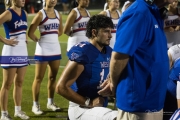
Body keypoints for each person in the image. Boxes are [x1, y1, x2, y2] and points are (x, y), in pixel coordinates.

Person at [98, 0, 173, 119]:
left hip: (154, 100)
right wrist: (113, 83)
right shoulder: (138, 13)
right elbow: (119, 56)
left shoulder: (154, 12)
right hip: (138, 104)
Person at [56, 14, 118, 120]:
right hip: (81, 108)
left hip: (99, 108)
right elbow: (61, 87)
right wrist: (88, 102)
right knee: (116, 117)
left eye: (110, 31)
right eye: (106, 31)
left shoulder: (108, 51)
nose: (110, 36)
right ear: (94, 32)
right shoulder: (83, 53)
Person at [28, 0, 63, 115]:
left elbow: (61, 31)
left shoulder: (58, 14)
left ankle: (50, 103)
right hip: (43, 50)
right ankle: (35, 105)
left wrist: (52, 37)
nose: (53, 0)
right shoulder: (40, 14)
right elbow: (31, 32)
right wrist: (38, 40)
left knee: (53, 77)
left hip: (55, 49)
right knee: (38, 78)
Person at [0, 0, 30, 120]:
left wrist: (25, 37)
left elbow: (24, 29)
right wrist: (5, 40)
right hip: (11, 52)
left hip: (22, 51)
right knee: (7, 84)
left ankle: (18, 110)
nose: (23, 0)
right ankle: (4, 114)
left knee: (20, 82)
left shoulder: (25, 13)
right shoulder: (8, 13)